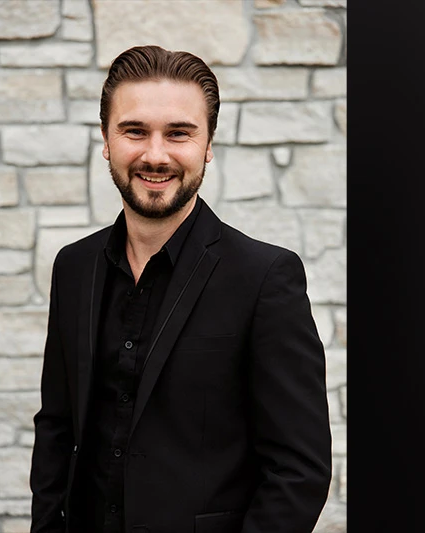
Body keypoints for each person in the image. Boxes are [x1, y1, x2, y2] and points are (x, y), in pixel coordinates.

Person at [29, 45, 332, 533]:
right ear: (106, 139)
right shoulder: (73, 267)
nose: (155, 155)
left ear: (208, 144)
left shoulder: (265, 278)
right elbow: (57, 429)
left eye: (178, 133)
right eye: (134, 131)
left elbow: (299, 471)